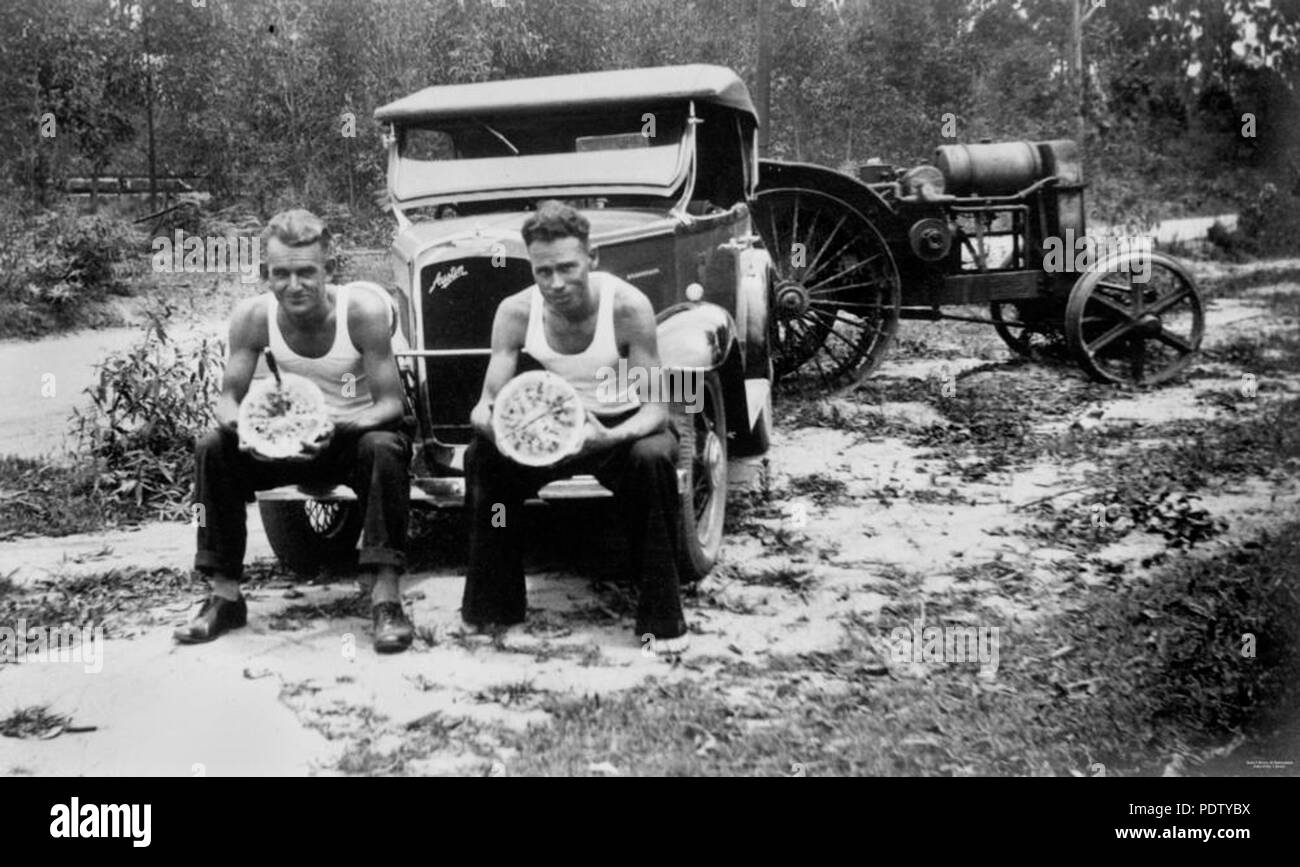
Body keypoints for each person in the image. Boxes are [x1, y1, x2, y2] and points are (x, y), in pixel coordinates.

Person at [175, 208, 416, 653]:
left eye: (306, 272)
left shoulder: (361, 312)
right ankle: (224, 596)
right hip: (281, 441)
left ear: (330, 268)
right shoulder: (253, 316)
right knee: (212, 446)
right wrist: (248, 431)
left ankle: (386, 598)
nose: (294, 285)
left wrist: (338, 426)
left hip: (353, 437)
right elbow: (227, 400)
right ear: (265, 273)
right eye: (280, 274)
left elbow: (390, 404)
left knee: (384, 448)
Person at [462, 200, 689, 652]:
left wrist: (609, 437)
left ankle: (661, 622)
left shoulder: (627, 306)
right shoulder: (515, 311)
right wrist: (499, 432)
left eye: (567, 268)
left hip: (622, 425)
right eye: (543, 271)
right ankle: (494, 609)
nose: (556, 283)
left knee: (652, 458)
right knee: (483, 459)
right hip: (553, 426)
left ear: (592, 258)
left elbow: (657, 410)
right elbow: (485, 404)